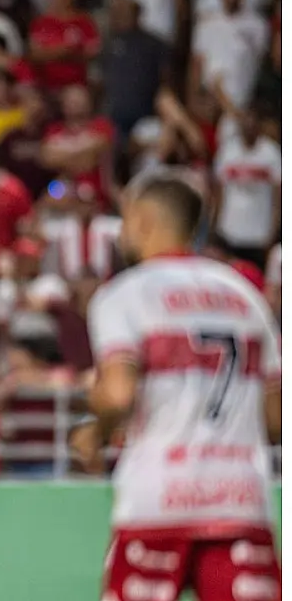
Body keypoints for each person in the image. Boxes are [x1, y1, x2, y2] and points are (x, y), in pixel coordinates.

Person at [87, 178, 282, 600]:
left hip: (157, 501)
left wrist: (94, 427)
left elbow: (118, 395)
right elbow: (276, 419)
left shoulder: (125, 294)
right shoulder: (246, 296)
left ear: (143, 220)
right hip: (240, 501)